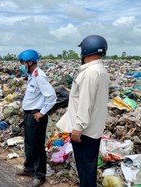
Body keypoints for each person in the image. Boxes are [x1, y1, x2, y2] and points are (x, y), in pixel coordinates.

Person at [55, 35, 109, 187]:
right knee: (89, 168)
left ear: (86, 50)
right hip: (93, 130)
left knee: (85, 169)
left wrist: (78, 127)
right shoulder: (101, 70)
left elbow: (86, 103)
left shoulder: (90, 72)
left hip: (85, 132)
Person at [16, 49, 57, 187]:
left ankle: (40, 175)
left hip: (36, 116)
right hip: (29, 115)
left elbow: (51, 96)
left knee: (37, 146)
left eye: (22, 63)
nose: (21, 66)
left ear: (30, 62)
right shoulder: (32, 75)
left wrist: (42, 112)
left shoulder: (39, 76)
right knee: (29, 143)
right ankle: (29, 168)